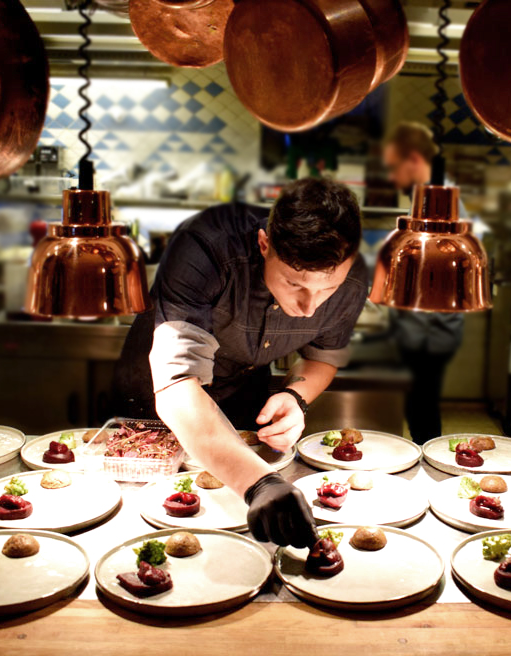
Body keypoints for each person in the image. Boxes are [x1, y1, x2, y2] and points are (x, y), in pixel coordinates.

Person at [112, 178, 367, 547]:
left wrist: (297, 397)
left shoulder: (355, 276)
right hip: (156, 399)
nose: (310, 307)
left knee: (231, 525)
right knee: (148, 521)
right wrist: (259, 483)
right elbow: (176, 383)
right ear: (265, 244)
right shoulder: (204, 245)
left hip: (244, 390)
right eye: (295, 284)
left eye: (327, 290)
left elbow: (323, 357)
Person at [382, 122, 465, 445]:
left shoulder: (442, 203)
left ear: (414, 160)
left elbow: (435, 279)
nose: (392, 176)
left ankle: (428, 466)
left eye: (394, 166)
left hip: (430, 331)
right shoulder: (424, 201)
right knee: (419, 406)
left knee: (422, 409)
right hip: (424, 328)